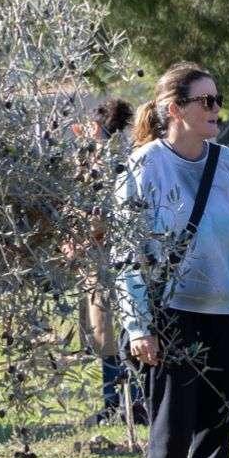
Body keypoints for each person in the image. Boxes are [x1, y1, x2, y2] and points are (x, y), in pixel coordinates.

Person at [116, 65, 229, 458]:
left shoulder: (228, 163)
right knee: (171, 432)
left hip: (222, 314)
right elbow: (125, 252)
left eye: (218, 99)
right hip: (169, 318)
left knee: (217, 428)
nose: (216, 109)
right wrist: (138, 325)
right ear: (174, 109)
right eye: (205, 101)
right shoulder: (145, 166)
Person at [84, 96, 140, 427]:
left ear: (98, 125)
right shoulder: (132, 155)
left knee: (107, 332)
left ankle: (118, 401)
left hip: (106, 255)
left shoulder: (102, 161)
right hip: (122, 255)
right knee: (121, 328)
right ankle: (128, 400)